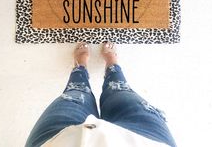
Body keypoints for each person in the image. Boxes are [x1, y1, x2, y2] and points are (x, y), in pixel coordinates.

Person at [25, 42, 177, 147]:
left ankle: (80, 67)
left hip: (60, 141)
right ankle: (112, 64)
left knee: (76, 92)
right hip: (145, 140)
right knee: (120, 90)